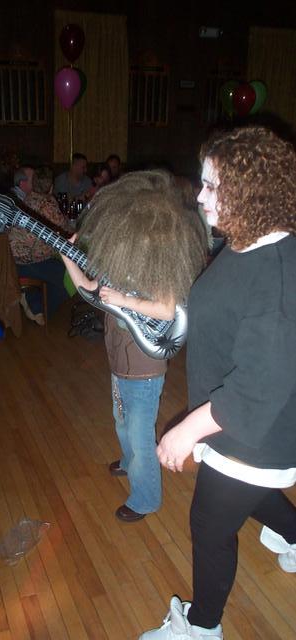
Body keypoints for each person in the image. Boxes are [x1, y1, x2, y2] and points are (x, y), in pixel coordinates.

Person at [140, 126, 296, 639]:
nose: (200, 196)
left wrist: (187, 430)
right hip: (235, 421)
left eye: (212, 186)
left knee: (210, 524)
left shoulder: (277, 274)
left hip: (254, 432)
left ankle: (202, 627)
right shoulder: (247, 242)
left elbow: (257, 390)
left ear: (252, 192)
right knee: (246, 497)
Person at [62, 171, 207, 522]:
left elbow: (167, 308)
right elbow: (90, 289)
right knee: (121, 420)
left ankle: (145, 499)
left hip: (144, 367)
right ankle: (128, 463)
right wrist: (65, 254)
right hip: (118, 358)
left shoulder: (158, 262)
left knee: (140, 434)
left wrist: (125, 300)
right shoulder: (121, 259)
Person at [11, 165, 72, 325]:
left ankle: (32, 299)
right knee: (69, 277)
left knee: (59, 268)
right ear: (51, 187)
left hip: (13, 259)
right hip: (29, 262)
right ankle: (41, 310)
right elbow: (66, 232)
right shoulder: (48, 204)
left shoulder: (28, 199)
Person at [0, 165, 34, 234]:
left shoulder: (8, 197)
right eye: (33, 180)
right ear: (22, 183)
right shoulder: (18, 203)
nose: (35, 183)